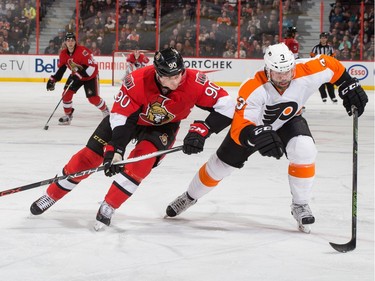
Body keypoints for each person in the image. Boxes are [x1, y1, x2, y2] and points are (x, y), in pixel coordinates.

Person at [164, 43, 368, 233]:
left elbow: (332, 65)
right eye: (277, 74)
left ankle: (300, 204)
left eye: (287, 72)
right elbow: (240, 127)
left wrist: (348, 85)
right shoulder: (252, 87)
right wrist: (256, 136)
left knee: (304, 149)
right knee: (219, 167)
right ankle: (189, 196)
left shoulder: (308, 69)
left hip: (288, 121)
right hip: (254, 128)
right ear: (267, 70)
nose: (284, 78)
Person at [30, 47, 235, 230]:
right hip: (129, 120)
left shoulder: (194, 81)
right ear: (158, 74)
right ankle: (51, 195)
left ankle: (109, 204)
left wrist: (203, 130)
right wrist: (116, 150)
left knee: (140, 165)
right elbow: (121, 119)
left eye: (179, 74)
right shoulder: (137, 81)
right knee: (87, 159)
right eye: (170, 77)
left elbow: (226, 105)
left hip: (163, 126)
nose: (177, 80)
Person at [46, 32, 109, 125]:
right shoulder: (63, 54)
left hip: (90, 76)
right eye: (68, 40)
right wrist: (53, 79)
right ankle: (68, 116)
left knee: (93, 99)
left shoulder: (83, 51)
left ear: (75, 42)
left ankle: (106, 112)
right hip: (76, 75)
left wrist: (79, 76)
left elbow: (91, 68)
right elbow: (62, 69)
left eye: (72, 40)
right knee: (66, 94)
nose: (70, 42)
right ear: (65, 42)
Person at [310, 32, 338, 103]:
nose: (323, 39)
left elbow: (333, 57)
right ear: (320, 39)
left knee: (330, 83)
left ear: (326, 39)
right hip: (319, 68)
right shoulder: (316, 48)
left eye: (324, 38)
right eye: (322, 38)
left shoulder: (330, 48)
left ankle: (333, 97)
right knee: (321, 83)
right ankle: (324, 96)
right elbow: (312, 56)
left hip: (328, 68)